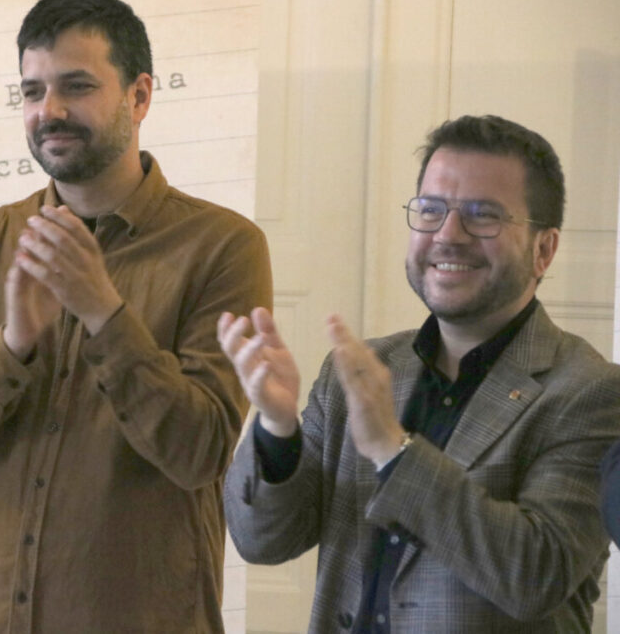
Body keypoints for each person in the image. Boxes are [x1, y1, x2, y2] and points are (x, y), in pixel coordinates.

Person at [0, 0, 272, 633]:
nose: (49, 111)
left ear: (139, 95)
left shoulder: (222, 246)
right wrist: (12, 346)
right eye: (32, 91)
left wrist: (106, 314)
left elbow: (201, 451)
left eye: (76, 86)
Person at [220, 115, 620, 632]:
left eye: (483, 215)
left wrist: (394, 449)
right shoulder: (359, 371)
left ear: (543, 249)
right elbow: (262, 541)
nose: (448, 235)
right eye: (431, 210)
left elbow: (536, 574)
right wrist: (277, 429)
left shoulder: (590, 391)